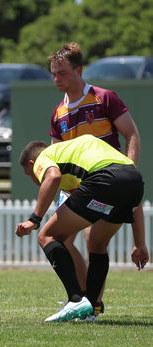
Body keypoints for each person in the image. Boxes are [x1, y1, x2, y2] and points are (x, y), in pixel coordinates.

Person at [48, 42, 142, 316]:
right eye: (53, 73)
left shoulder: (104, 98)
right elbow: (57, 155)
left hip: (106, 182)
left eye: (62, 73)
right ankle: (83, 297)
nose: (57, 79)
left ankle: (92, 301)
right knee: (60, 239)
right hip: (75, 186)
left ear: (79, 70)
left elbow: (132, 135)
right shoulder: (58, 113)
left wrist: (129, 167)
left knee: (94, 239)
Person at [15, 135, 147, 322]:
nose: (34, 180)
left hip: (105, 179)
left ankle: (75, 300)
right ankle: (90, 309)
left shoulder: (45, 155)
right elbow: (136, 204)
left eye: (31, 174)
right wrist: (139, 244)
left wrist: (34, 219)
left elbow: (52, 177)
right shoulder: (78, 155)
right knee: (97, 243)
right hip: (133, 181)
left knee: (47, 235)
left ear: (32, 163)